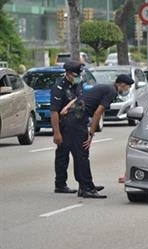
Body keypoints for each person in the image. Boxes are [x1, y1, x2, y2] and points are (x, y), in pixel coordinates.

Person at [61, 74, 134, 198]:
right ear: (121, 85)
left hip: (72, 119)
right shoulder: (111, 92)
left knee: (79, 155)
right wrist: (91, 134)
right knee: (82, 154)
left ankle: (85, 185)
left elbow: (80, 98)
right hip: (77, 121)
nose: (127, 90)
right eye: (127, 87)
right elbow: (98, 113)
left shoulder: (105, 87)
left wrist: (66, 109)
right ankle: (87, 188)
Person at [51, 60, 89, 194]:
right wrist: (56, 133)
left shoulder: (78, 85)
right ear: (67, 74)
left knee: (80, 155)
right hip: (65, 127)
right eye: (75, 75)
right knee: (63, 155)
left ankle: (83, 184)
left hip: (77, 126)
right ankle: (60, 184)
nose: (77, 77)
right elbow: (55, 112)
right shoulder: (59, 88)